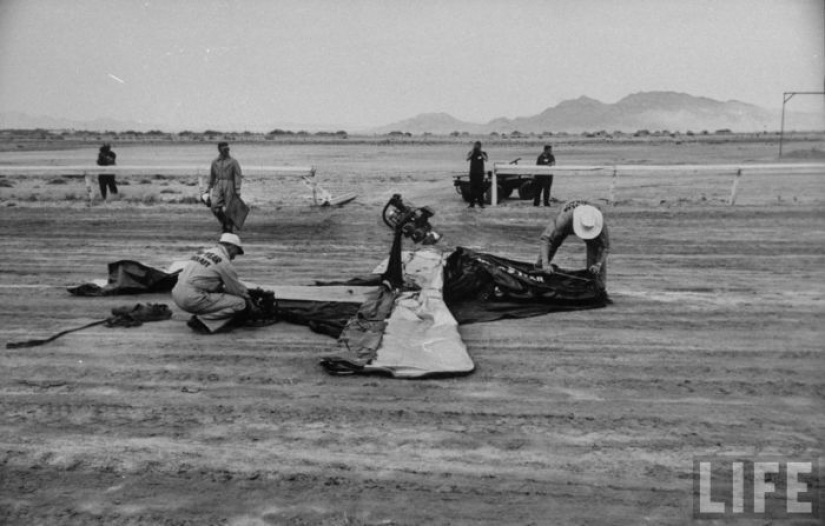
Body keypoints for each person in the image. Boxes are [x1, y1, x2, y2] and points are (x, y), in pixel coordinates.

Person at [172, 233, 252, 334]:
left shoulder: (202, 253)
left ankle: (203, 314)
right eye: (237, 251)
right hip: (192, 299)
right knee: (240, 303)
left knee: (218, 294)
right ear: (232, 247)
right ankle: (203, 320)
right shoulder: (224, 263)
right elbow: (236, 291)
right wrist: (250, 301)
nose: (235, 256)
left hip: (176, 294)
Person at [539, 200, 610, 290]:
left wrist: (598, 264)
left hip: (592, 236)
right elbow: (546, 239)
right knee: (542, 263)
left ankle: (598, 289)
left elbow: (605, 246)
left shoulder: (599, 223)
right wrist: (545, 264)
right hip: (567, 223)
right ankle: (539, 277)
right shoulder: (563, 220)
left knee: (595, 274)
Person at [206, 141, 243, 232]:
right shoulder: (215, 162)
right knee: (214, 206)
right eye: (224, 149)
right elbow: (212, 176)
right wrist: (208, 188)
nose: (227, 151)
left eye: (227, 149)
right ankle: (225, 223)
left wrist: (237, 190)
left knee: (230, 208)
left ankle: (229, 227)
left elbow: (238, 176)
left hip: (230, 185)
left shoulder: (233, 162)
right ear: (219, 149)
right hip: (218, 185)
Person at [465, 141, 488, 208]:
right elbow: (467, 158)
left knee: (480, 189)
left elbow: (486, 159)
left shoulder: (483, 153)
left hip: (480, 174)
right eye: (475, 146)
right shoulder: (471, 152)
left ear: (480, 146)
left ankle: (481, 204)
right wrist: (472, 151)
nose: (476, 147)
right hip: (472, 173)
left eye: (477, 146)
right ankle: (472, 204)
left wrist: (480, 152)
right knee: (472, 189)